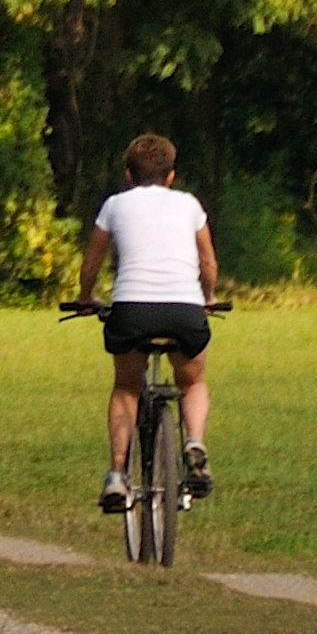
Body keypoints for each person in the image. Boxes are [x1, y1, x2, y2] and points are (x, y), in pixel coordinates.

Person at [79, 132, 222, 514]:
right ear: (171, 176)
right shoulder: (190, 205)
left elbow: (91, 263)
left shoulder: (114, 205)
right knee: (192, 380)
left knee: (127, 386)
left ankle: (117, 476)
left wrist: (86, 296)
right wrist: (207, 299)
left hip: (131, 309)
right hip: (184, 310)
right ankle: (194, 441)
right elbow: (207, 263)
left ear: (129, 174)